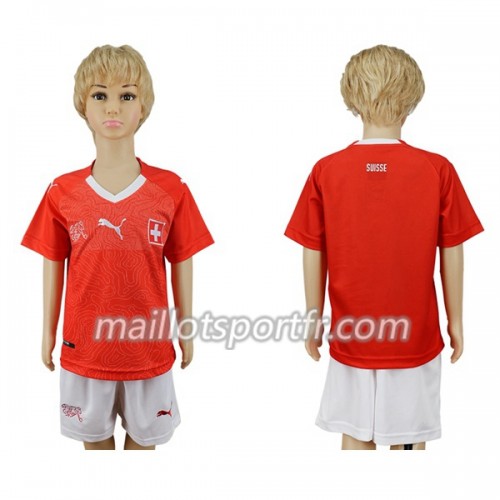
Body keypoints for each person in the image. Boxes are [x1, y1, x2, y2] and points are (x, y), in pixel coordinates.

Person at [284, 45, 483, 450]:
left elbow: (312, 250)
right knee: (407, 445)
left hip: (352, 333)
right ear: (411, 101)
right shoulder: (436, 169)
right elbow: (453, 249)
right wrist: (456, 320)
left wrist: (312, 318)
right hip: (414, 336)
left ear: (352, 98)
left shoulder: (327, 170)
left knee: (355, 438)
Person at [21, 45, 214, 450]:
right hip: (85, 350)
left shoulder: (171, 189)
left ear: (143, 107)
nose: (113, 107)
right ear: (83, 105)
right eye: (100, 95)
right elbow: (52, 263)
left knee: (144, 451)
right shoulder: (61, 192)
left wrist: (187, 330)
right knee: (97, 455)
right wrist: (47, 333)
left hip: (149, 349)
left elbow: (182, 261)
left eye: (126, 95)